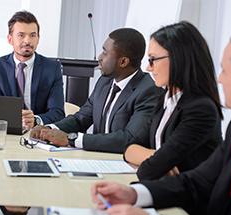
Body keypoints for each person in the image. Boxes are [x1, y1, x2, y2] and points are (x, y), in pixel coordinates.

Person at [91, 26, 231, 215]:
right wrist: (135, 194)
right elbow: (198, 181)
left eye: (225, 71)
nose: (219, 79)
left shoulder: (205, 109)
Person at [31, 28, 163, 153]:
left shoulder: (149, 90)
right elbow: (81, 119)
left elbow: (130, 138)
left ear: (123, 62)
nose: (99, 57)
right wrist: (50, 129)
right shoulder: (104, 82)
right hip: (95, 159)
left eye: (105, 52)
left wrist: (71, 139)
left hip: (123, 164)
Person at [124, 21, 222, 180]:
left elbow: (149, 170)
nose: (149, 68)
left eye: (152, 59)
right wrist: (157, 157)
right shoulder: (166, 98)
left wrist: (156, 160)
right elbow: (129, 148)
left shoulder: (201, 109)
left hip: (188, 201)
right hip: (165, 190)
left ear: (178, 58)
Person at [0, 11, 64, 130]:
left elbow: (58, 113)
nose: (27, 41)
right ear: (10, 39)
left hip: (38, 134)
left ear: (38, 39)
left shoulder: (52, 68)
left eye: (33, 35)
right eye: (21, 35)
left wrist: (36, 120)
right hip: (7, 132)